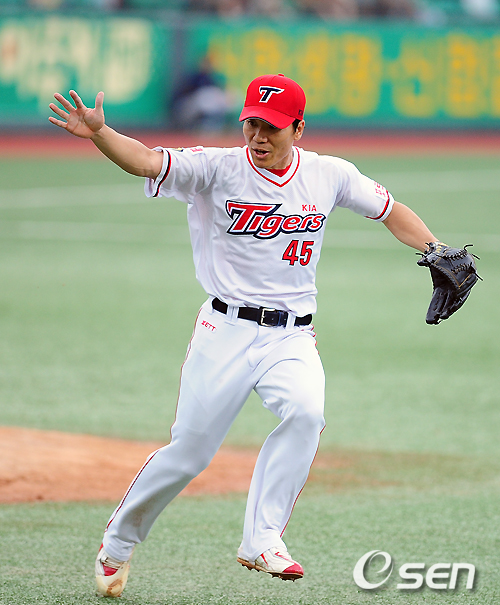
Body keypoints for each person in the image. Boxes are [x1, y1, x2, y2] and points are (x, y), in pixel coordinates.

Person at [49, 74, 439, 598]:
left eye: (272, 126)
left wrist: (436, 249)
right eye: (251, 123)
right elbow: (145, 161)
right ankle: (118, 542)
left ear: (298, 129)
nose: (258, 135)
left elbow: (391, 210)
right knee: (189, 453)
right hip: (223, 331)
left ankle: (263, 537)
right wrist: (100, 133)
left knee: (306, 413)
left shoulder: (330, 175)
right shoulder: (216, 167)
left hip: (291, 337)